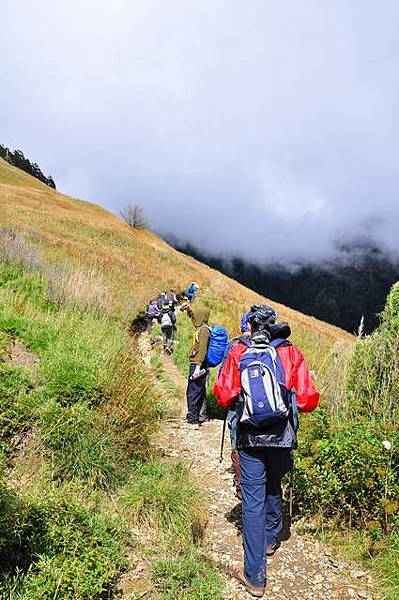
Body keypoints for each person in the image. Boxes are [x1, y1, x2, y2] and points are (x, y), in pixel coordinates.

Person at [214, 305, 319, 598]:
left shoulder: (239, 352)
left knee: (252, 499)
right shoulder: (291, 353)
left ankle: (254, 576)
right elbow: (309, 400)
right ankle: (272, 538)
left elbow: (223, 394)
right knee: (275, 484)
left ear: (249, 326)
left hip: (249, 437)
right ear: (274, 325)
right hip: (282, 436)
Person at [184, 304, 211, 428]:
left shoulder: (204, 331)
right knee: (199, 391)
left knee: (192, 392)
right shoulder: (202, 328)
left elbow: (202, 350)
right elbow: (193, 317)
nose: (195, 318)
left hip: (197, 364)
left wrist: (197, 367)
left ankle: (193, 420)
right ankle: (200, 416)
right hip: (199, 364)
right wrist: (189, 309)